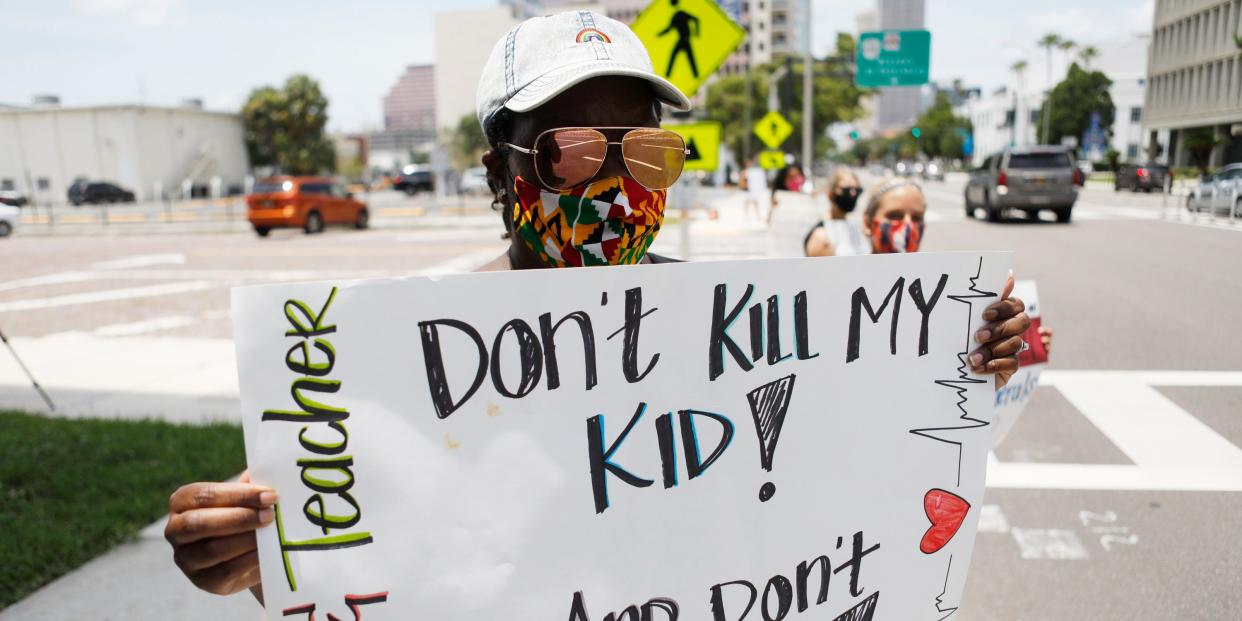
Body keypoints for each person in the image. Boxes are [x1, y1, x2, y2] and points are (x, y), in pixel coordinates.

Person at [163, 11, 1032, 605]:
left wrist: (972, 361)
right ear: (499, 174)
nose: (617, 186)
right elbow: (357, 546)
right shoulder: (396, 368)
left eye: (648, 153)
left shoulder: (743, 333)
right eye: (572, 152)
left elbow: (861, 454)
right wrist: (259, 551)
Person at [859, 177, 1053, 352]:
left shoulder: (944, 291)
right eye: (895, 216)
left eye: (917, 218)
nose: (908, 225)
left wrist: (1027, 345)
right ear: (868, 223)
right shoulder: (843, 288)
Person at [804, 168, 869, 257]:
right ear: (831, 193)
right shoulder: (821, 234)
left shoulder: (856, 229)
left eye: (857, 190)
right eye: (847, 190)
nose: (853, 194)